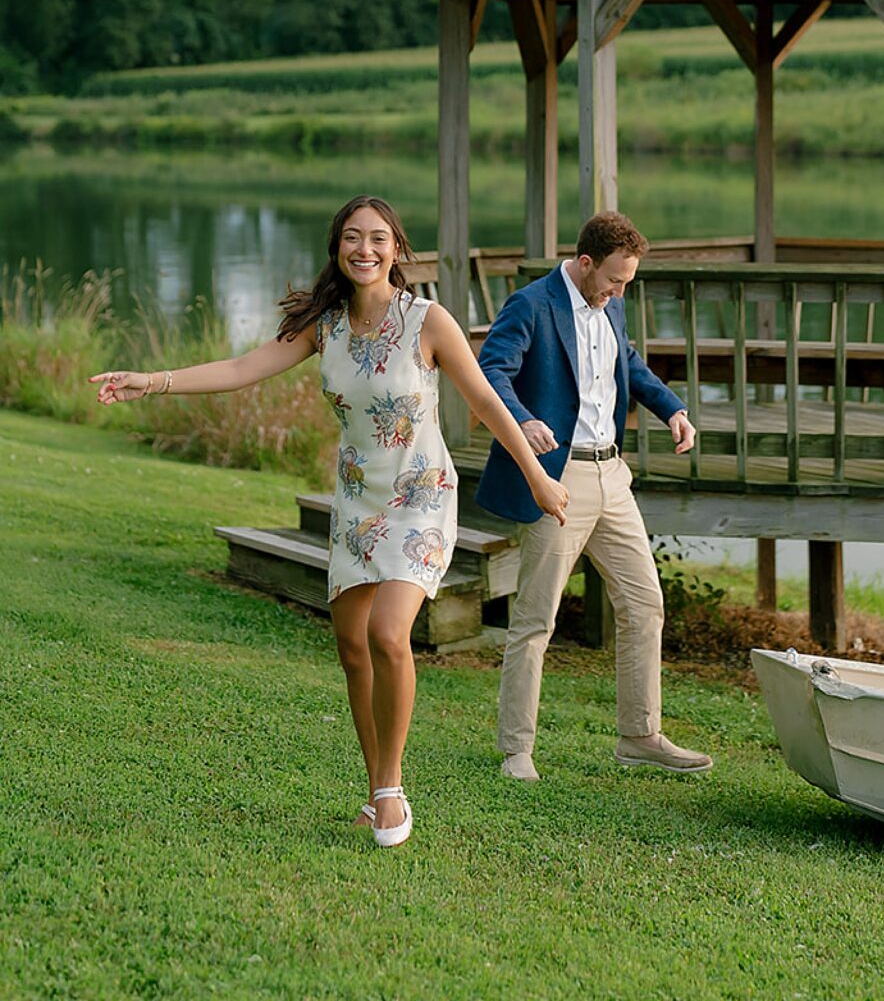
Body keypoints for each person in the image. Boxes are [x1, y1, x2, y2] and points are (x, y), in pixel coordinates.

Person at [91, 193, 567, 847]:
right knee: (352, 649)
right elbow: (242, 368)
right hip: (356, 499)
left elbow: (484, 400)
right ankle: (375, 790)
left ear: (396, 249)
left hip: (420, 494)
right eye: (352, 237)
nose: (364, 249)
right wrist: (153, 381)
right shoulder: (326, 325)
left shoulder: (428, 321)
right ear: (337, 248)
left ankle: (392, 789)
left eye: (377, 238)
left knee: (388, 633)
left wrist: (538, 476)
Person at [476, 209, 713, 781]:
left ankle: (640, 736)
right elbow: (490, 372)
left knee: (645, 604)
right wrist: (523, 420)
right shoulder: (532, 304)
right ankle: (517, 750)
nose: (619, 291)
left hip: (613, 476)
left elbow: (626, 361)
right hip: (560, 478)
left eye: (627, 282)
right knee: (536, 617)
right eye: (613, 279)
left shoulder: (612, 303)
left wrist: (672, 408)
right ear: (585, 263)